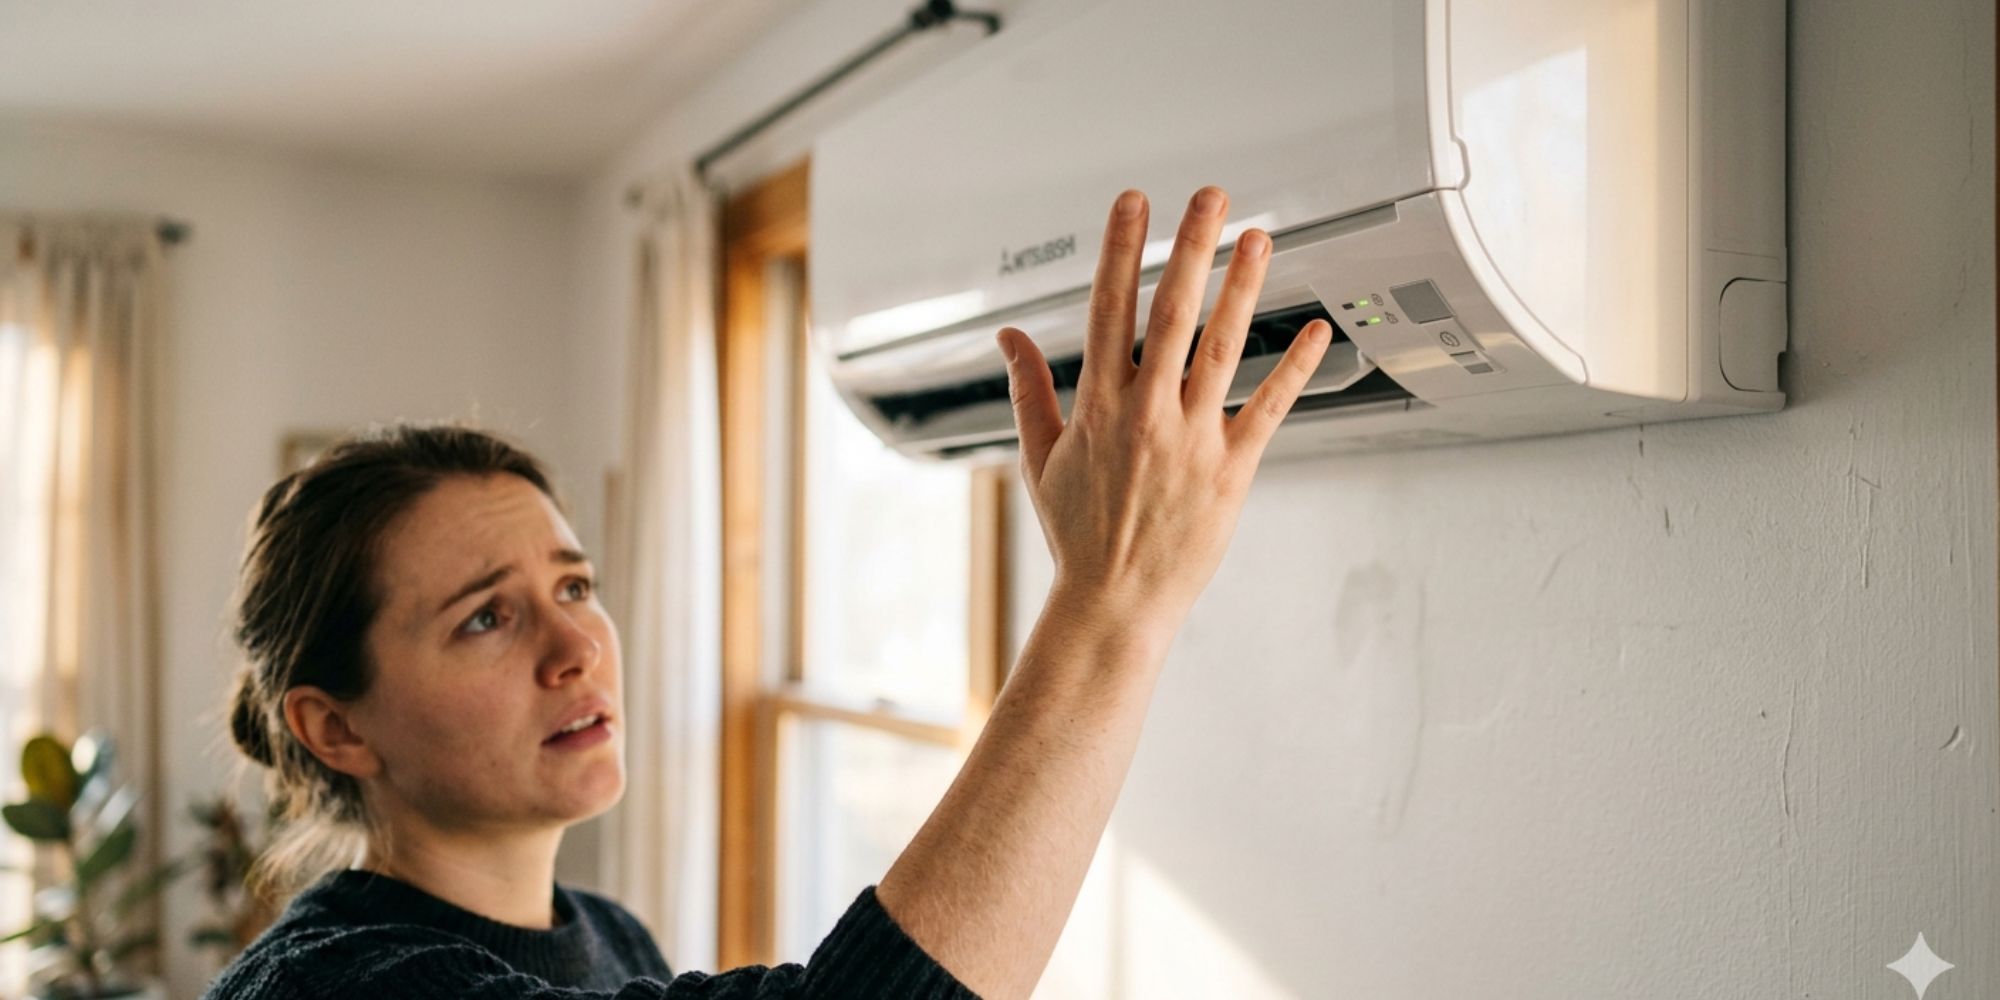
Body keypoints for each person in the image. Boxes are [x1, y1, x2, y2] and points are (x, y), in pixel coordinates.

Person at [201, 185, 1333, 999]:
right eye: (485, 616)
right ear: (334, 725)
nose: (575, 647)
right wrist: (1110, 601)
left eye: (575, 584)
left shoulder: (606, 936)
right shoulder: (333, 984)